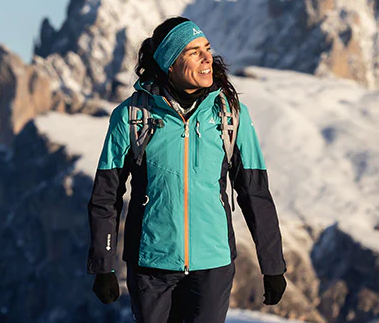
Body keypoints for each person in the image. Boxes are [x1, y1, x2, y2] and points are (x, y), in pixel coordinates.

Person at [87, 16, 288, 323]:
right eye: (194, 52)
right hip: (151, 264)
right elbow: (105, 196)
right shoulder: (131, 116)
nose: (208, 58)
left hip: (213, 265)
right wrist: (104, 265)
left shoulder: (230, 115)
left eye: (206, 48)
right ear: (170, 63)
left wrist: (272, 264)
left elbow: (255, 193)